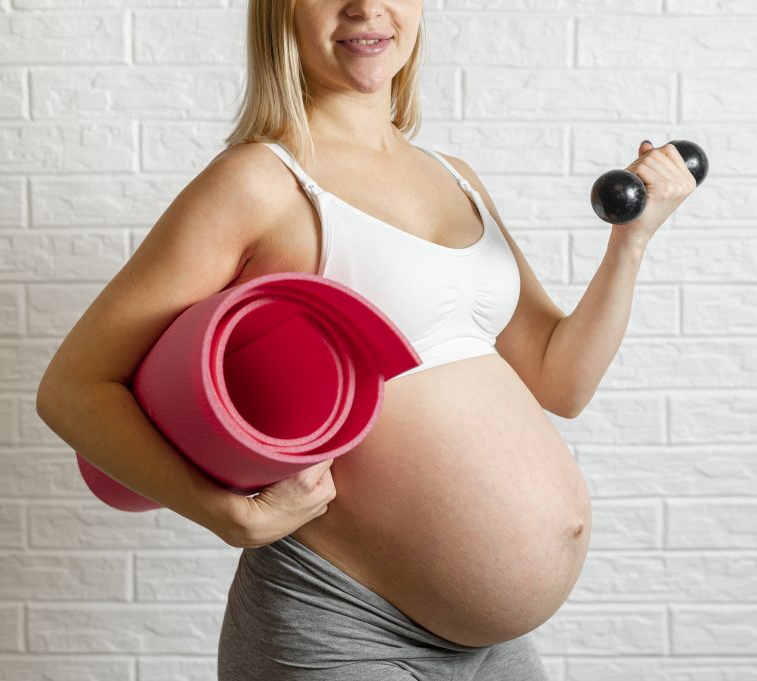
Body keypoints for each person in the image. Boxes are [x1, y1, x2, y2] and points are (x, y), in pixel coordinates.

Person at [35, 1, 697, 678]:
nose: (365, 6)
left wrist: (630, 242)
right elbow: (73, 389)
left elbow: (561, 382)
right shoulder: (258, 181)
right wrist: (227, 515)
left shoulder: (456, 176)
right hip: (340, 625)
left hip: (492, 650)